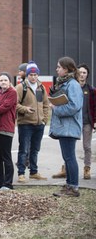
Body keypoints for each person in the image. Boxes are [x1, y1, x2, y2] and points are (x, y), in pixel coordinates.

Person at [50, 57, 83, 197]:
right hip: (65, 127)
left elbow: (74, 106)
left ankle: (73, 188)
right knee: (67, 157)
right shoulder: (66, 83)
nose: (57, 69)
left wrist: (55, 108)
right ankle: (70, 185)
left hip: (69, 128)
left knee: (69, 158)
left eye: (59, 67)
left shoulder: (73, 85)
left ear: (66, 69)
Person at [15, 61, 49, 183]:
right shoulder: (20, 87)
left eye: (35, 75)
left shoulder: (42, 87)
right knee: (23, 149)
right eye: (31, 75)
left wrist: (45, 119)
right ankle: (21, 173)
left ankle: (33, 172)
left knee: (35, 149)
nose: (33, 77)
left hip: (39, 124)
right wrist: (25, 109)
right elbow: (14, 104)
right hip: (25, 124)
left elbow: (45, 105)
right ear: (27, 75)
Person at [77, 64, 95, 179]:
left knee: (87, 146)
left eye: (84, 72)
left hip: (87, 122)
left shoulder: (91, 90)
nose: (82, 75)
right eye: (80, 72)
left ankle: (87, 168)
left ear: (87, 74)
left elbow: (95, 107)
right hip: (74, 121)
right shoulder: (72, 87)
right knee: (70, 146)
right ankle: (66, 167)